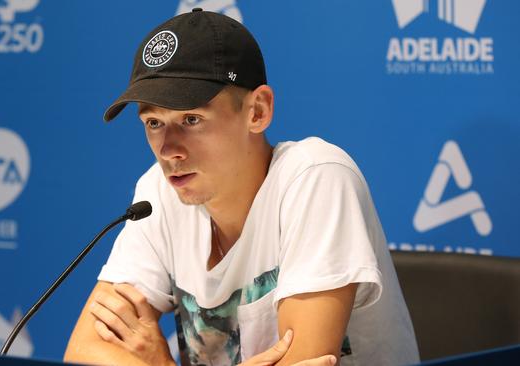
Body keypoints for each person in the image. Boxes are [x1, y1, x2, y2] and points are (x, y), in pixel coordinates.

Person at [64, 8, 419, 366]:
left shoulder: (315, 176)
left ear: (258, 111)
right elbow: (84, 352)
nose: (169, 151)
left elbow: (305, 363)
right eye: (154, 122)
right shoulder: (158, 193)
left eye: (191, 119)